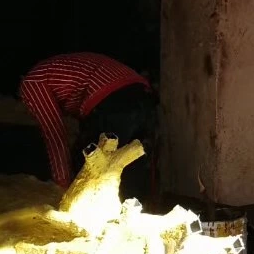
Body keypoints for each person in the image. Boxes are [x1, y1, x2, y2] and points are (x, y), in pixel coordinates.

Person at [18, 52, 158, 197]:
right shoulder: (52, 69)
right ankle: (133, 209)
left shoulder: (31, 83)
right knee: (129, 162)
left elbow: (54, 135)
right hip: (143, 95)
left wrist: (62, 185)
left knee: (91, 164)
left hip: (113, 101)